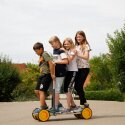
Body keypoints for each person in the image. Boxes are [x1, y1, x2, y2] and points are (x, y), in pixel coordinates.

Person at [49, 36, 69, 112]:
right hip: (55, 73)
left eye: (52, 43)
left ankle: (56, 107)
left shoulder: (61, 51)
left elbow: (66, 61)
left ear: (57, 42)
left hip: (61, 73)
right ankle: (55, 106)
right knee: (54, 90)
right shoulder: (54, 50)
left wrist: (56, 62)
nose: (51, 45)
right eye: (50, 44)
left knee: (57, 90)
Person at [33, 42, 55, 109]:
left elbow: (51, 63)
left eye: (36, 51)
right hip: (41, 75)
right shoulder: (41, 56)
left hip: (46, 75)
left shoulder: (45, 54)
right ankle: (44, 106)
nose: (35, 53)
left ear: (41, 49)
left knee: (41, 91)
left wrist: (52, 74)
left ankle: (42, 107)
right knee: (36, 91)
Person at [73, 30, 91, 112]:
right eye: (77, 37)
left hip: (84, 68)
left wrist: (78, 54)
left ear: (83, 37)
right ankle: (85, 102)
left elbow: (86, 57)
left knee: (79, 86)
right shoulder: (76, 47)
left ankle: (82, 103)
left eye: (80, 36)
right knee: (76, 86)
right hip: (77, 68)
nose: (78, 38)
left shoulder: (86, 46)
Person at [62, 38, 78, 111]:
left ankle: (68, 107)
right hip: (67, 72)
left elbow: (70, 59)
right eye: (65, 44)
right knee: (65, 89)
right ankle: (73, 105)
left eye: (67, 44)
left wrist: (65, 51)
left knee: (68, 89)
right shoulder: (67, 51)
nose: (66, 45)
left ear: (71, 44)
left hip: (73, 71)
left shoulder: (74, 50)